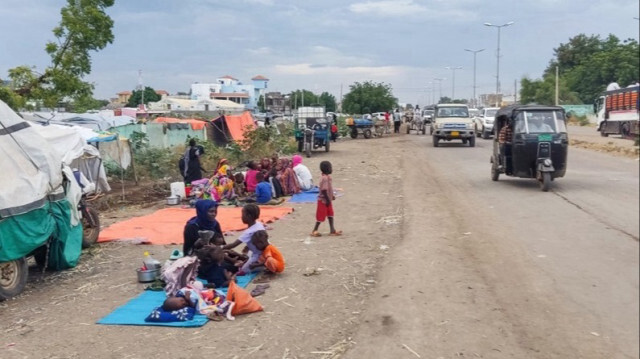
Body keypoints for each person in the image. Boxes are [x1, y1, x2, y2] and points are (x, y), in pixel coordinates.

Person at [223, 204, 265, 274]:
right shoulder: (258, 224)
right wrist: (248, 246)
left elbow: (233, 245)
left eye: (243, 214)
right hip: (263, 251)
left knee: (242, 270)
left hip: (259, 255)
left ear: (249, 216)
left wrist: (220, 247)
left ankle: (262, 264)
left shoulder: (249, 232)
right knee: (247, 255)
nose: (241, 217)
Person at [311, 161, 341, 237]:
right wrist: (327, 199)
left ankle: (332, 230)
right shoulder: (324, 178)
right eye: (330, 167)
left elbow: (328, 189)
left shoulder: (328, 177)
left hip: (328, 200)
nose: (332, 169)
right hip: (323, 201)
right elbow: (324, 190)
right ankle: (314, 230)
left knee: (330, 214)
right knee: (321, 216)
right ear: (327, 169)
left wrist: (331, 196)